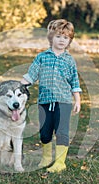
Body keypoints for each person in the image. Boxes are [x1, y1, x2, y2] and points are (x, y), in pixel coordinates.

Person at [21, 19, 82, 173]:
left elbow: (74, 81)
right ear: (51, 37)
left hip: (64, 102)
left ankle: (60, 162)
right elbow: (31, 75)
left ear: (69, 41)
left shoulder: (69, 60)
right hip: (45, 101)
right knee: (45, 131)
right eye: (58, 36)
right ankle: (46, 158)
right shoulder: (42, 57)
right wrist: (18, 86)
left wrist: (77, 100)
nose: (62, 40)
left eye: (66, 38)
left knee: (62, 131)